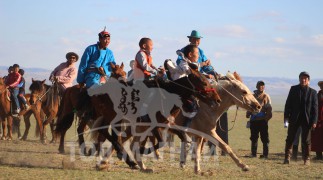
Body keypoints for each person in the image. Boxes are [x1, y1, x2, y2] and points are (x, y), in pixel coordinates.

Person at [283, 71, 318, 165]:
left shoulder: (313, 92)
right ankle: (287, 157)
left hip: (307, 120)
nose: (303, 80)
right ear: (299, 79)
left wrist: (314, 121)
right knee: (290, 138)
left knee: (306, 140)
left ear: (308, 81)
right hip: (294, 118)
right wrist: (286, 117)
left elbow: (315, 109)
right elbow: (288, 104)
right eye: (302, 78)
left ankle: (307, 159)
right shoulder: (293, 89)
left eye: (305, 79)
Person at [246, 81, 272, 158]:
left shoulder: (266, 96)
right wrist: (248, 113)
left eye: (262, 86)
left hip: (262, 120)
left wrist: (266, 119)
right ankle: (253, 154)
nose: (261, 87)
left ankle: (265, 154)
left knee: (264, 138)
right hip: (253, 120)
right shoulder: (252, 96)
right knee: (253, 137)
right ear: (256, 86)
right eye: (260, 85)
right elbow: (249, 106)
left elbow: (269, 109)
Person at [311, 81, 323, 160]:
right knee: (317, 138)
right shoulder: (317, 95)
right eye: (321, 85)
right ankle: (318, 155)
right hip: (318, 119)